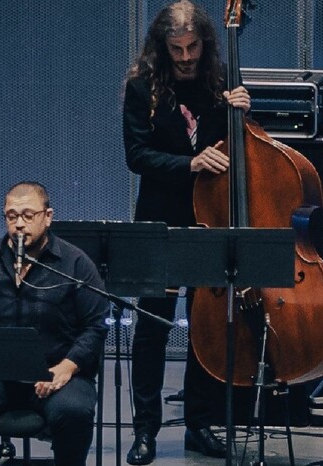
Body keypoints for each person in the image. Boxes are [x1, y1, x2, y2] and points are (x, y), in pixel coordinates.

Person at [119, 1, 252, 461]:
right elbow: (137, 156)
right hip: (160, 219)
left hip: (210, 217)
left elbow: (243, 150)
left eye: (192, 47)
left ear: (204, 43)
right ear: (163, 47)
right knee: (151, 329)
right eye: (176, 49)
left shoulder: (221, 81)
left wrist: (244, 114)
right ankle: (145, 430)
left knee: (205, 328)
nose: (185, 57)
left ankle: (199, 424)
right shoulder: (142, 86)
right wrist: (189, 164)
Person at [0, 182, 109, 466]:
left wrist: (67, 367)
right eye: (12, 216)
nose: (19, 224)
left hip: (56, 372)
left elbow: (95, 325)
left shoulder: (75, 263)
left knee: (74, 412)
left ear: (47, 217)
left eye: (28, 215)